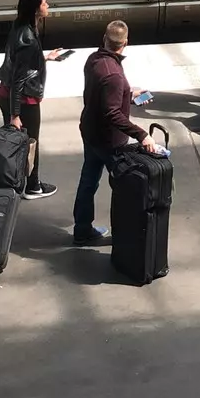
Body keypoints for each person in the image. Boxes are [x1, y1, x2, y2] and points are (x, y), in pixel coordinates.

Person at [75, 20, 157, 245]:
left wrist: (128, 94)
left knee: (88, 181)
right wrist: (142, 134)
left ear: (105, 38)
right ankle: (125, 232)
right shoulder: (114, 74)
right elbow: (112, 113)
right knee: (125, 187)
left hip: (89, 131)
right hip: (109, 141)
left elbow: (102, 95)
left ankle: (82, 229)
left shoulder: (94, 59)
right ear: (125, 43)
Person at [0, 0, 66, 199]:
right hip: (22, 99)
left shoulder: (21, 27)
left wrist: (43, 58)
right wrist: (15, 115)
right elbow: (19, 79)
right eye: (45, 4)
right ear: (36, 10)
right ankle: (32, 186)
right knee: (31, 142)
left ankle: (15, 182)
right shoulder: (28, 37)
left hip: (8, 94)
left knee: (19, 142)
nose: (48, 7)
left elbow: (21, 64)